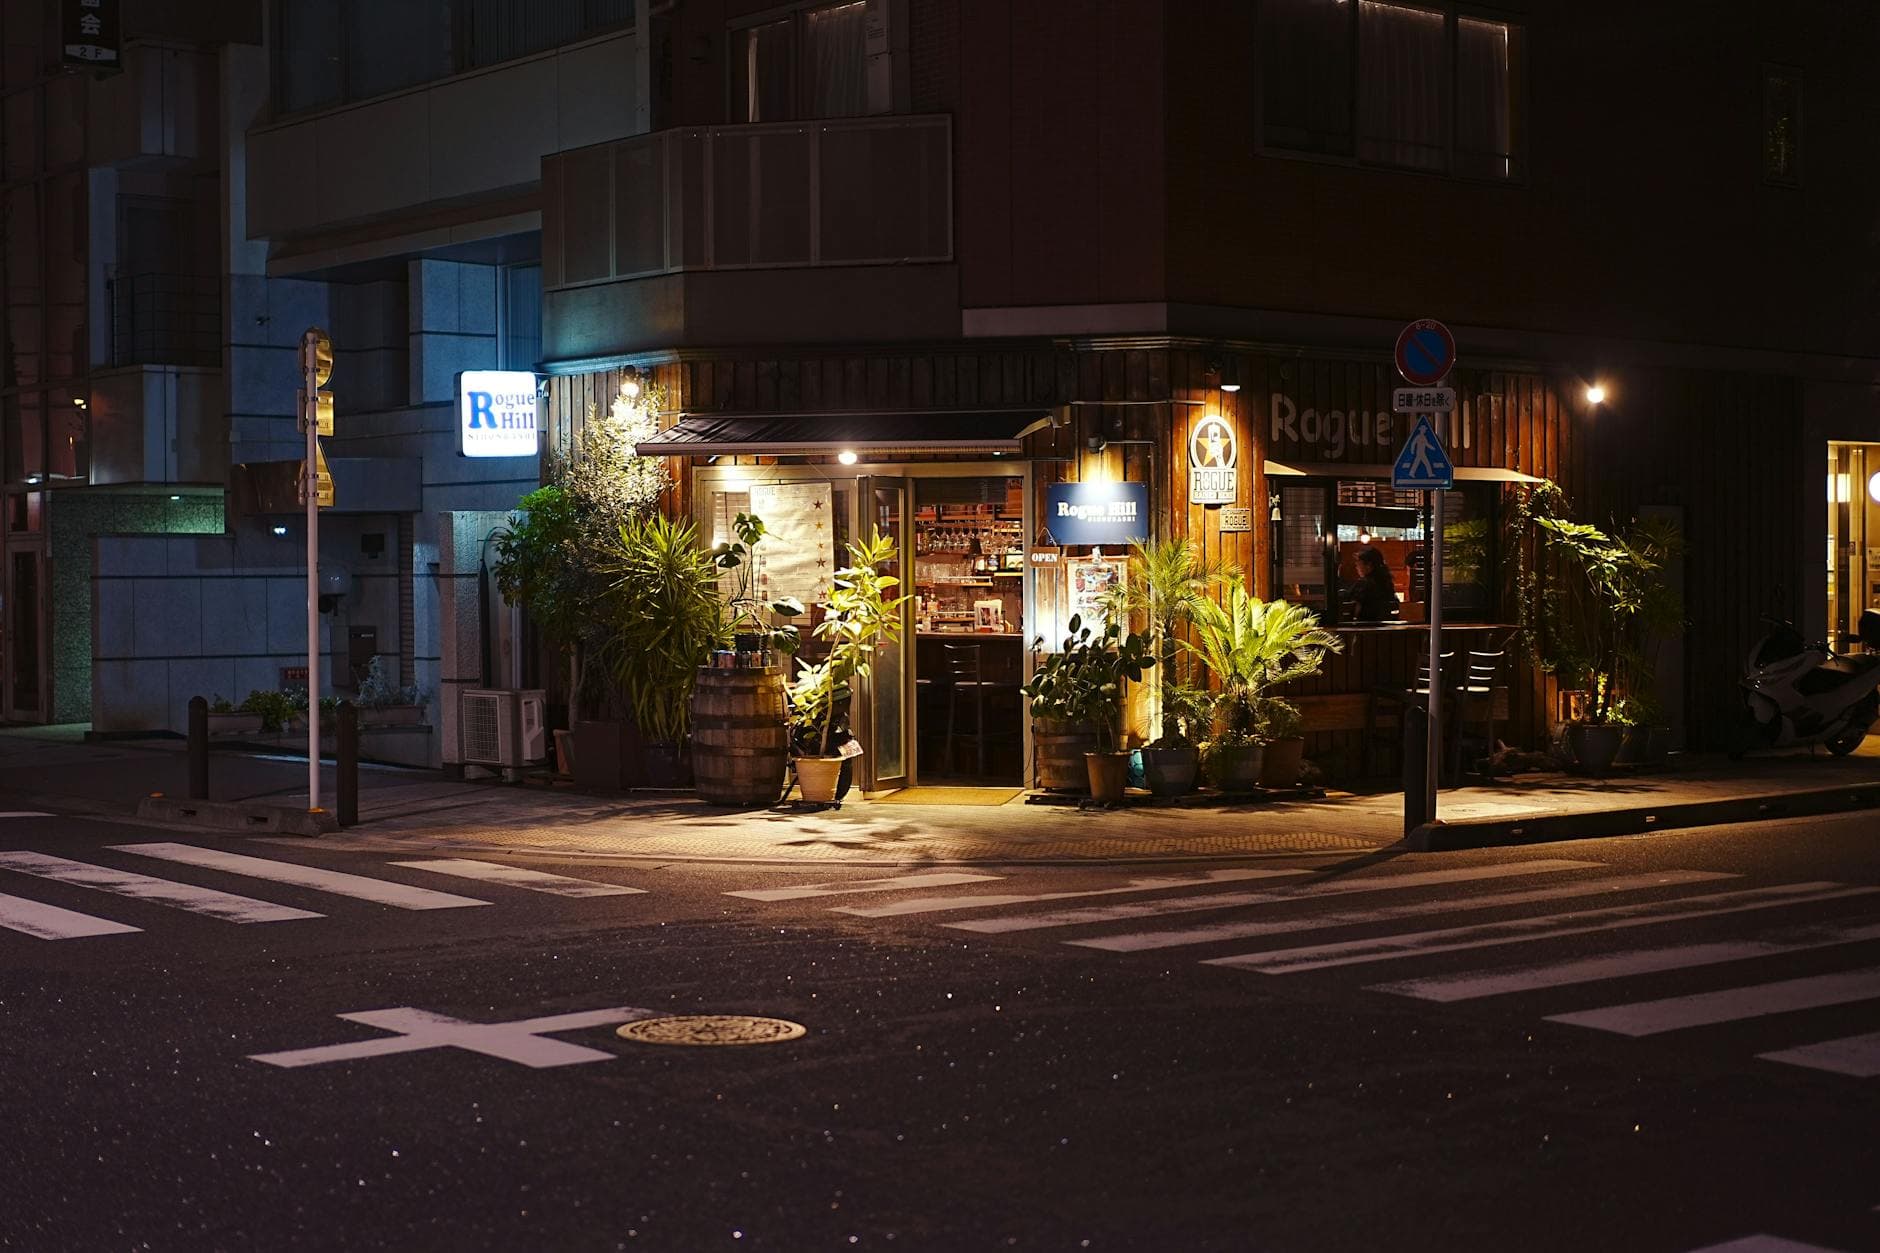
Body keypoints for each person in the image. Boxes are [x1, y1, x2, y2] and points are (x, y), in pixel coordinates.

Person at [1345, 547, 1399, 623]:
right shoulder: (1387, 582)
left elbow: (1355, 610)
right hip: (1385, 627)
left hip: (1365, 627)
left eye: (1359, 562)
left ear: (1369, 565)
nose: (1356, 565)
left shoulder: (1363, 584)